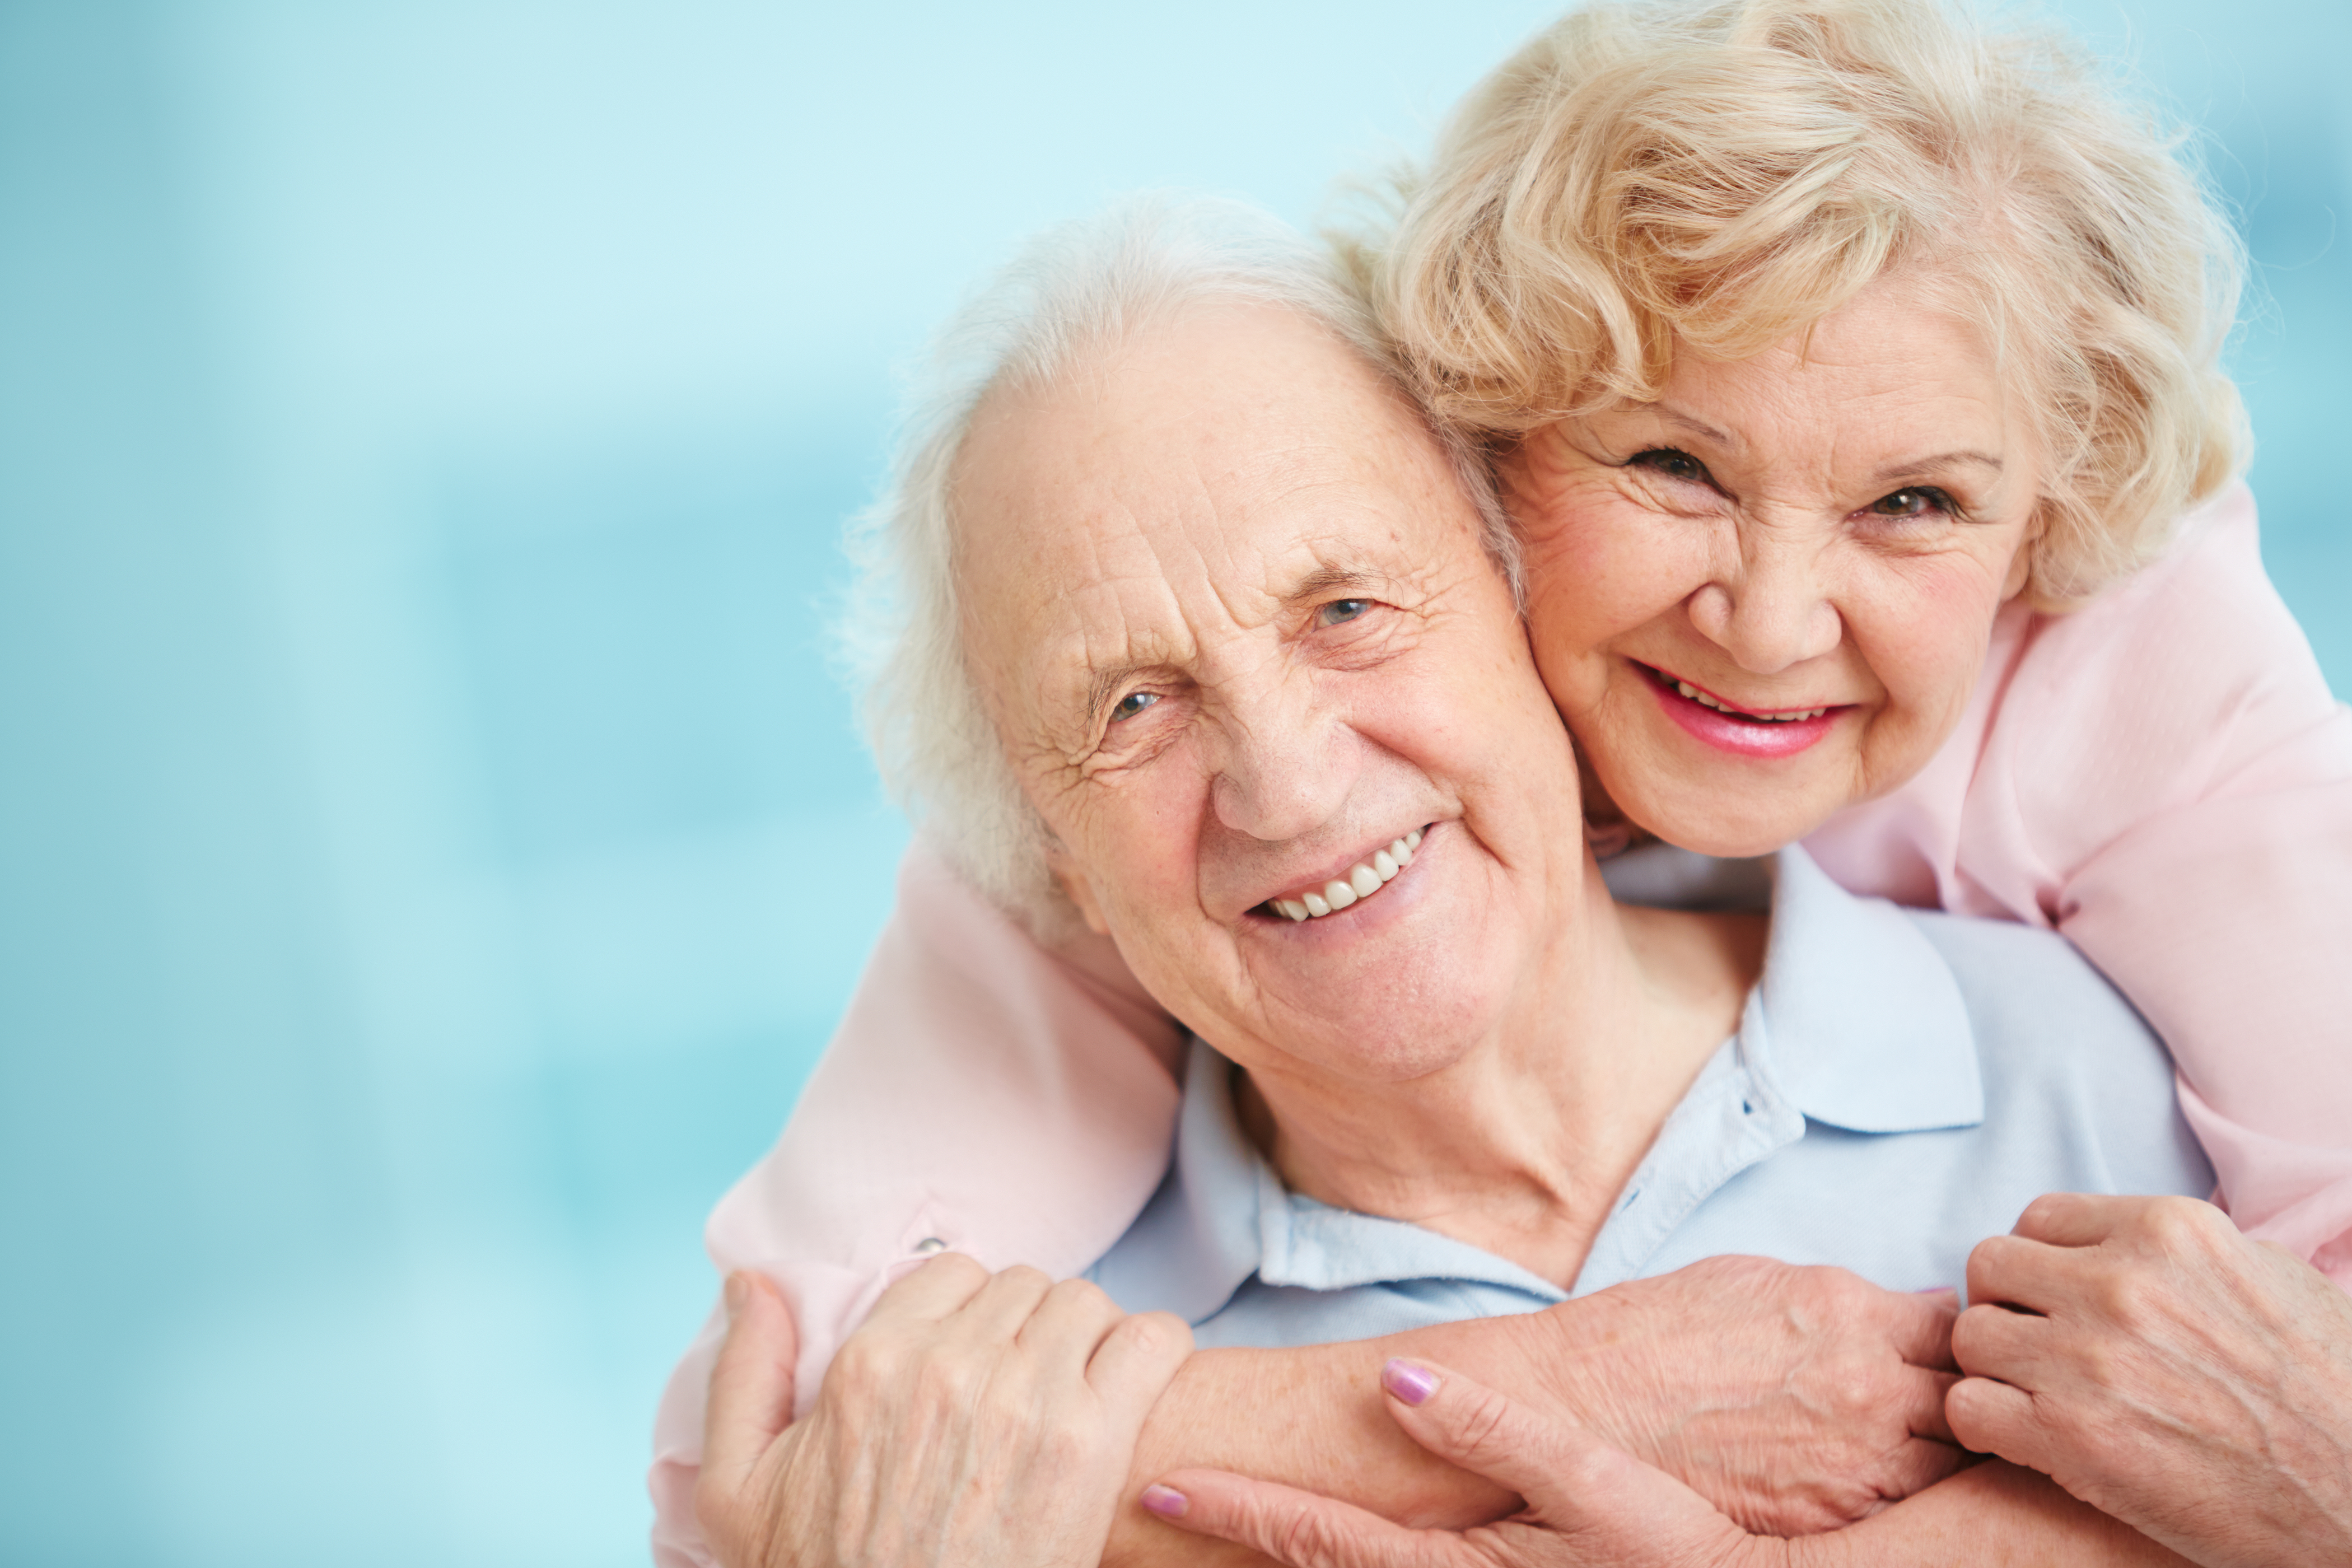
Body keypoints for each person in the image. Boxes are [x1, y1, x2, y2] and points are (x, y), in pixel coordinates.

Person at [652, 0, 2352, 1561]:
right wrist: (1543, 1401)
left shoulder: (2127, 919)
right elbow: (765, 1467)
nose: (1766, 623)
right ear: (1515, 486)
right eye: (1673, 464)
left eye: (1347, 610)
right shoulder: (1048, 1086)